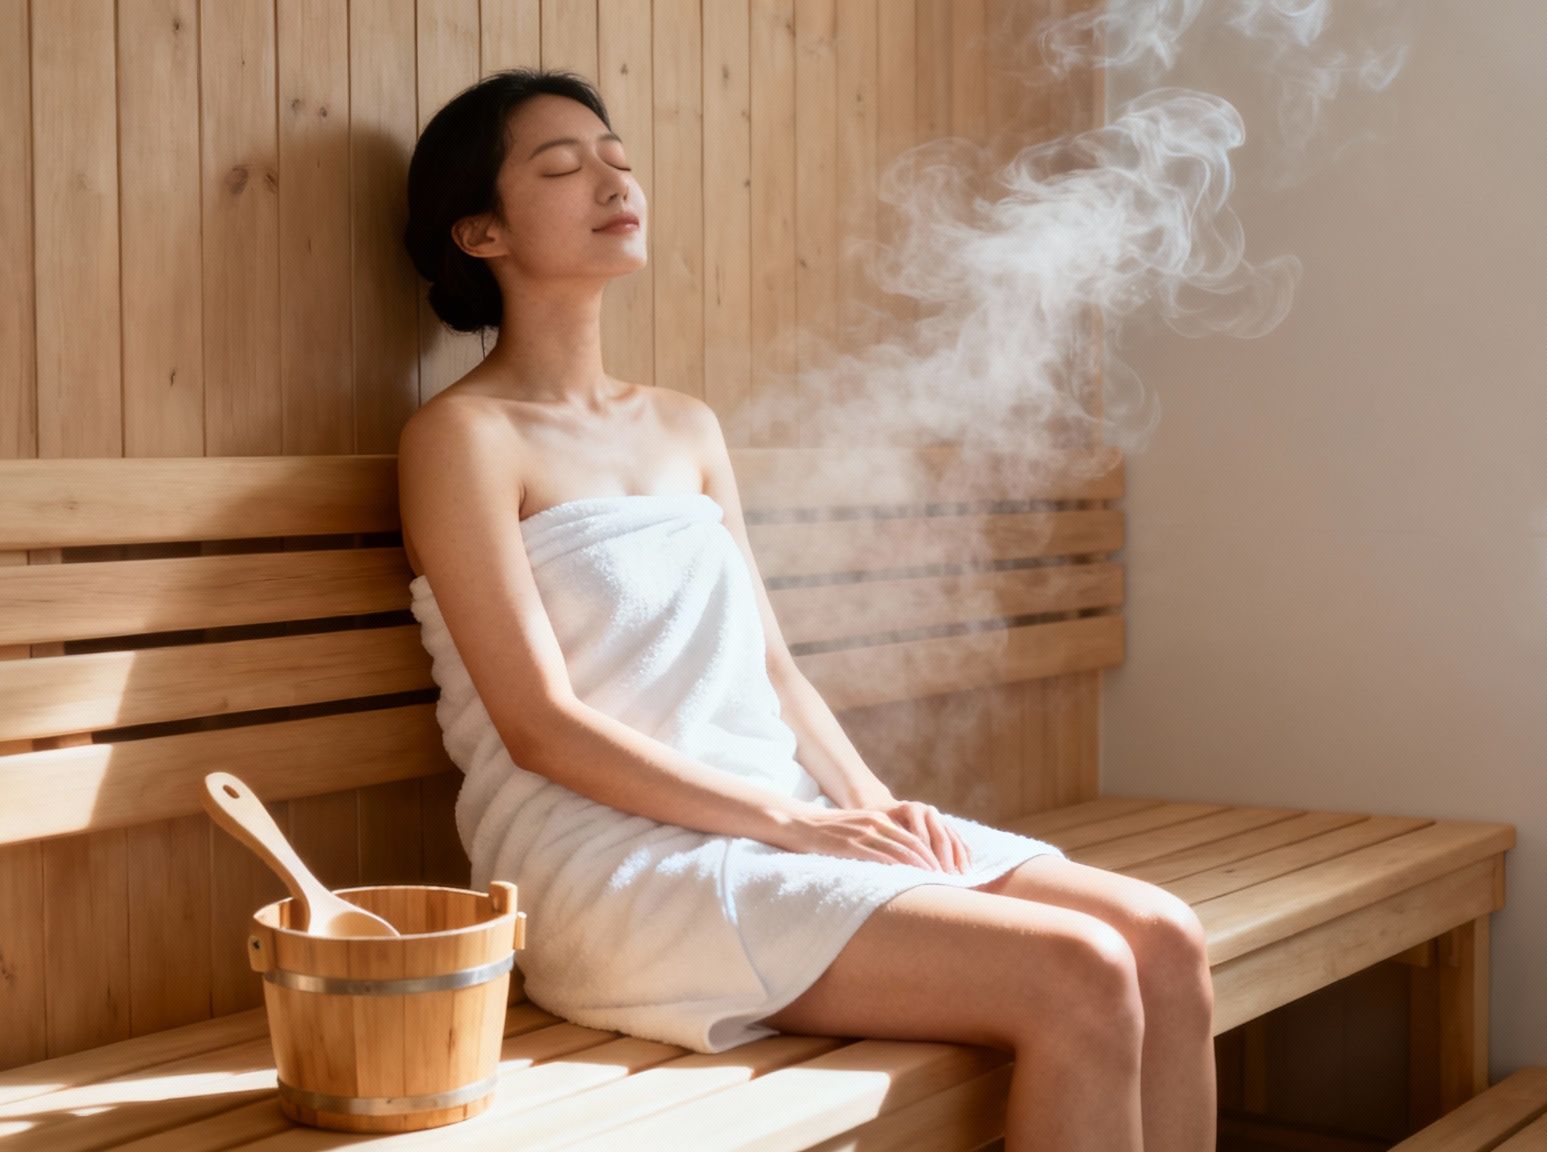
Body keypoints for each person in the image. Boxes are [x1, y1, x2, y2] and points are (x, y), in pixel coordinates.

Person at [397, 68, 1215, 1152]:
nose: (612, 180)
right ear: (480, 233)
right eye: (560, 167)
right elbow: (539, 726)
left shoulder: (684, 426)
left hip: (778, 825)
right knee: (1081, 970)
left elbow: (772, 670)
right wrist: (798, 826)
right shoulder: (462, 440)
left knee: (1164, 937)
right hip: (620, 871)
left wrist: (872, 811)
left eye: (618, 159)